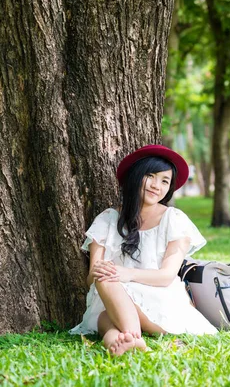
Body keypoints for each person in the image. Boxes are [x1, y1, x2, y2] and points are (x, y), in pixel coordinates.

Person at [70, 145, 217, 355]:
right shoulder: (108, 219)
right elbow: (91, 277)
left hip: (160, 300)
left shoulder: (174, 220)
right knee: (104, 315)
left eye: (165, 181)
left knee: (106, 302)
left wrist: (123, 274)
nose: (157, 185)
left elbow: (166, 276)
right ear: (136, 176)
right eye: (150, 176)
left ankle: (133, 336)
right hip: (112, 297)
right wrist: (104, 271)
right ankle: (119, 343)